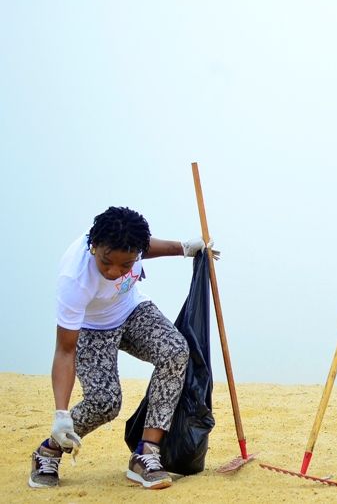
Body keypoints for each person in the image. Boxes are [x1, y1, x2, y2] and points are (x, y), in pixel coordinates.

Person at [28, 206, 217, 490]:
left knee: (176, 350)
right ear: (94, 248)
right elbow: (65, 351)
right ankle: (49, 450)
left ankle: (146, 454)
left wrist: (185, 248)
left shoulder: (132, 248)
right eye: (106, 263)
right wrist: (61, 412)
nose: (115, 272)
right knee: (105, 402)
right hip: (92, 330)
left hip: (131, 312)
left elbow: (145, 247)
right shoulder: (74, 279)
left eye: (126, 265)